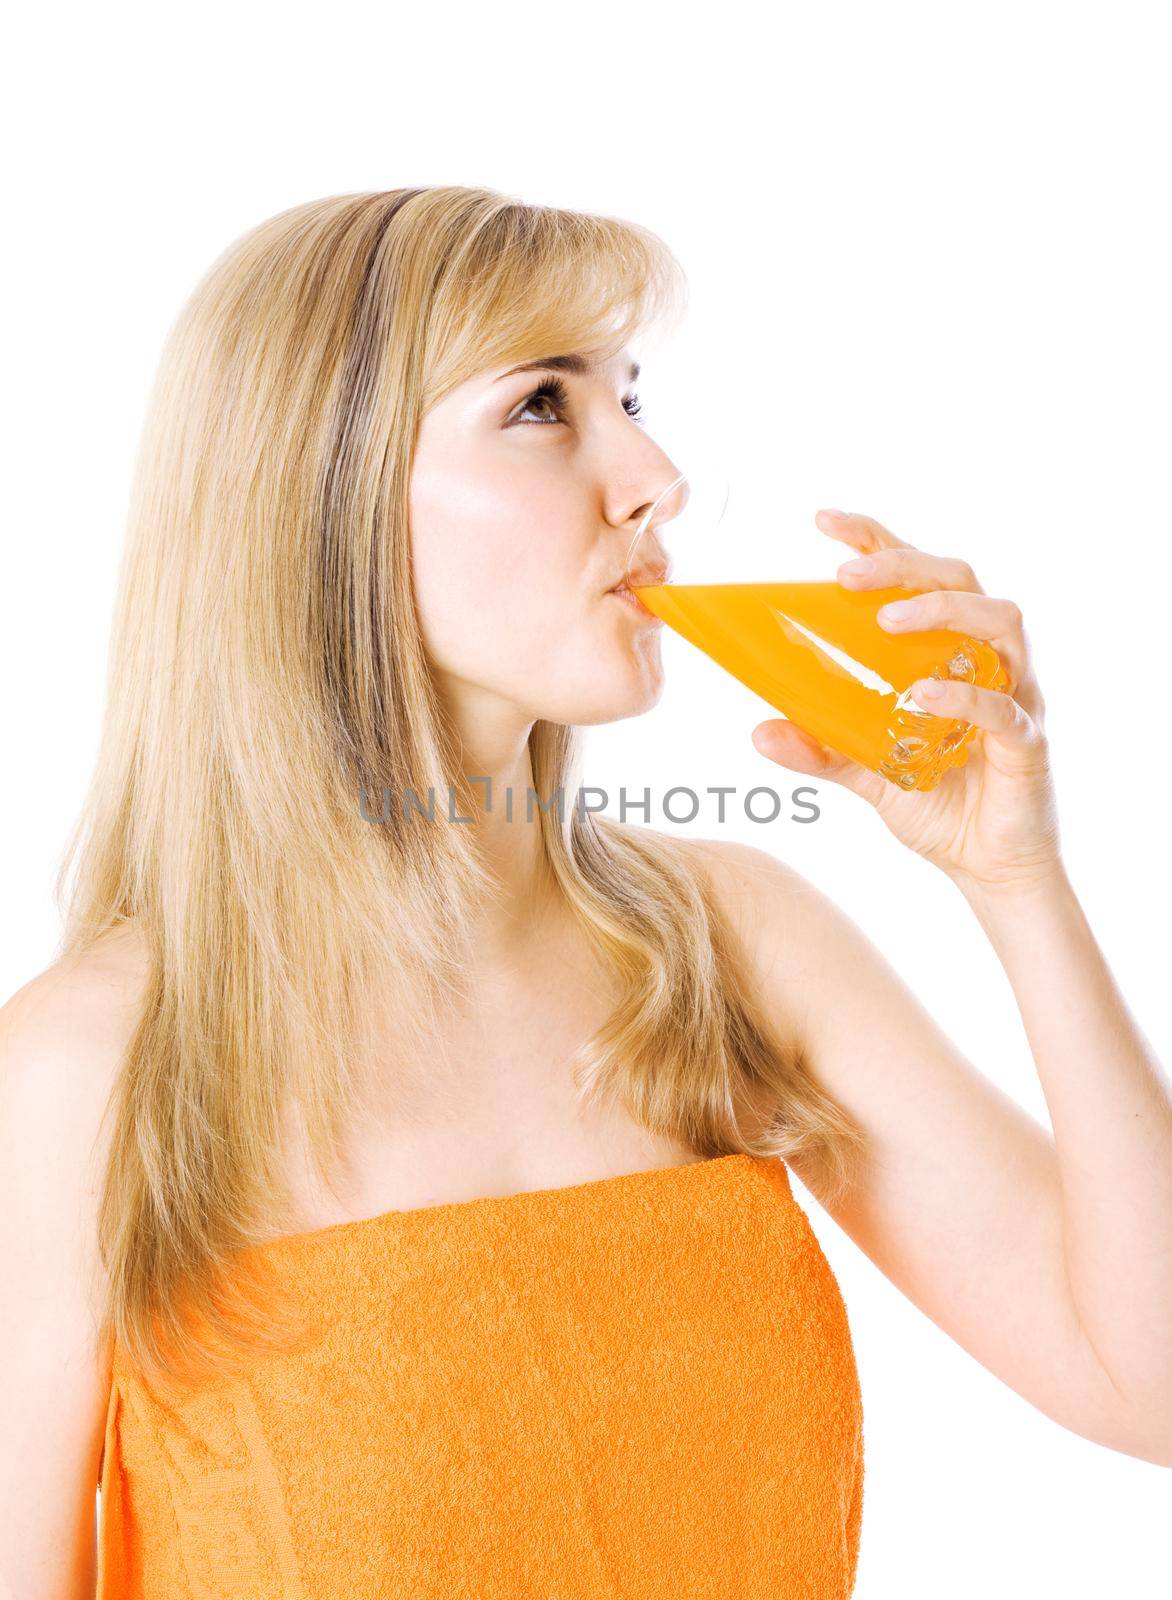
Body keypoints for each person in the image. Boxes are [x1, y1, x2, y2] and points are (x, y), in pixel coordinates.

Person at [1, 186, 1169, 1600]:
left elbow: (1146, 1387)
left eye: (629, 395)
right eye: (544, 407)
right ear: (323, 489)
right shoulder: (94, 1066)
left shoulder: (729, 947)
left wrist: (1020, 882)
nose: (656, 474)